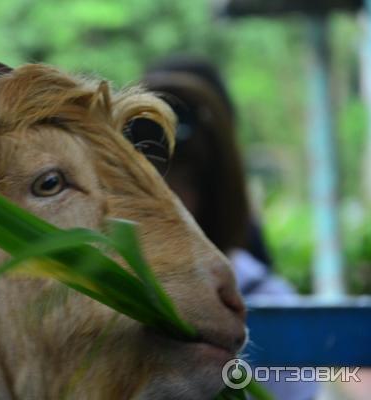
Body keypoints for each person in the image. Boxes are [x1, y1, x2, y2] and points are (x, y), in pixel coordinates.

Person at [135, 56, 318, 400]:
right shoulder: (108, 305)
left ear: (215, 188)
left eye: (181, 178)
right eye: (146, 179)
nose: (162, 200)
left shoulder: (261, 294)